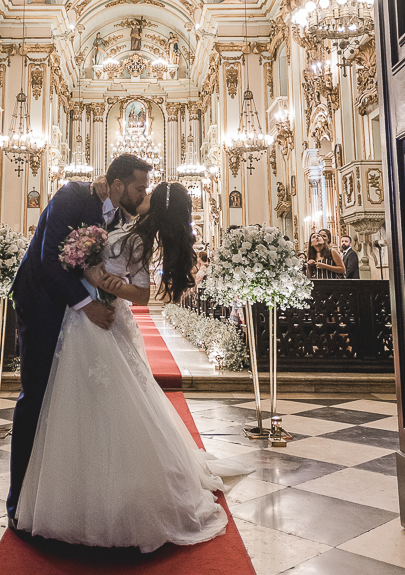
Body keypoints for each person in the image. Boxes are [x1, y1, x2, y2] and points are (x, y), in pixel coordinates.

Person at [15, 182, 250, 551]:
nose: (142, 195)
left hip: (98, 317)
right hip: (77, 317)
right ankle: (83, 486)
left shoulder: (138, 239)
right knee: (82, 404)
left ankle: (104, 498)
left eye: (148, 192)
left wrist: (101, 281)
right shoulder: (122, 221)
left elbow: (141, 293)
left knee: (103, 403)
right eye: (141, 188)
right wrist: (89, 274)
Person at [6, 154, 152, 523]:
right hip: (42, 305)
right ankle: (19, 502)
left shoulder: (120, 219)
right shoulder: (72, 195)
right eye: (139, 187)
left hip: (80, 322)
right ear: (118, 185)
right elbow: (46, 258)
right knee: (36, 397)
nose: (142, 193)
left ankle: (66, 496)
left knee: (72, 403)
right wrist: (87, 304)